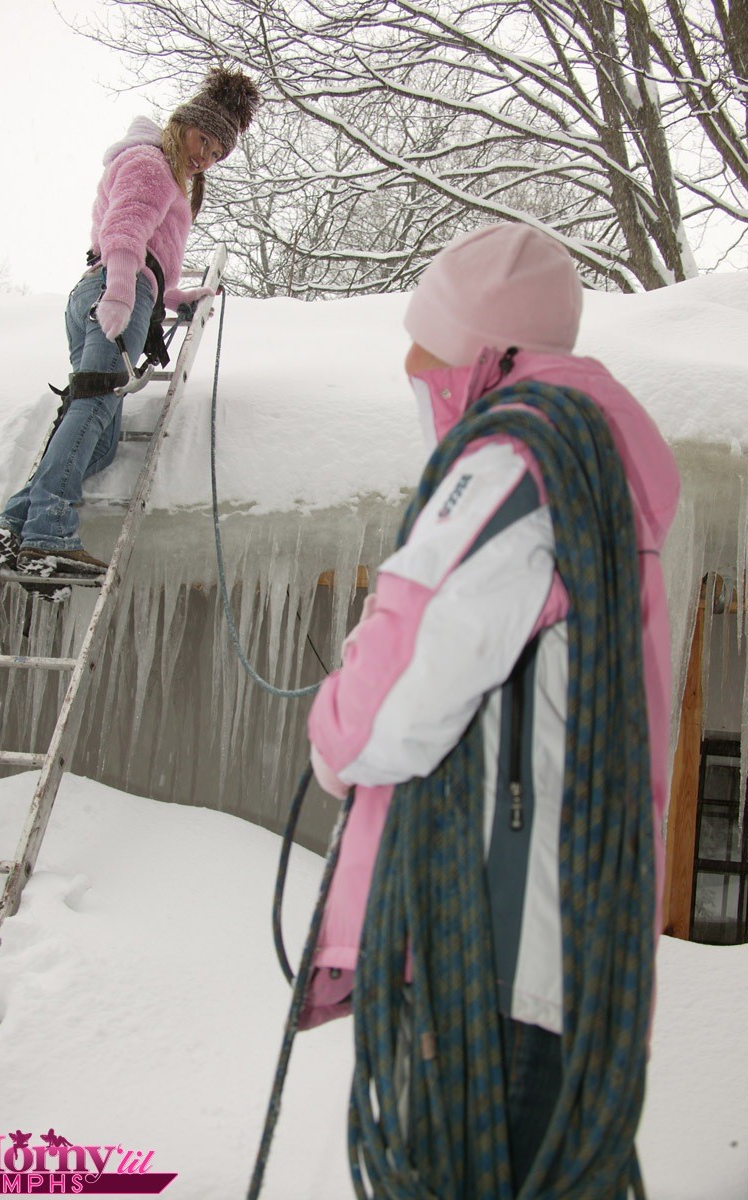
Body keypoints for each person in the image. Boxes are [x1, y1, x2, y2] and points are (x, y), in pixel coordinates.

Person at [302, 224, 680, 1196]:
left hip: (494, 967)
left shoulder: (515, 460)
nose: (409, 362)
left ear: (481, 353)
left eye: (426, 341)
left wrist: (333, 726)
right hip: (568, 968)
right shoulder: (589, 466)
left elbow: (387, 707)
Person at [0, 67, 260, 591]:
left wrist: (171, 295)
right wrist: (120, 293)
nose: (206, 158)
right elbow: (125, 230)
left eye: (218, 154)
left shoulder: (161, 168)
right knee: (91, 409)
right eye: (205, 141)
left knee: (102, 439)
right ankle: (49, 535)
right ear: (184, 125)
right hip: (117, 291)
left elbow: (145, 250)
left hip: (120, 289)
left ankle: (17, 519)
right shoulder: (153, 164)